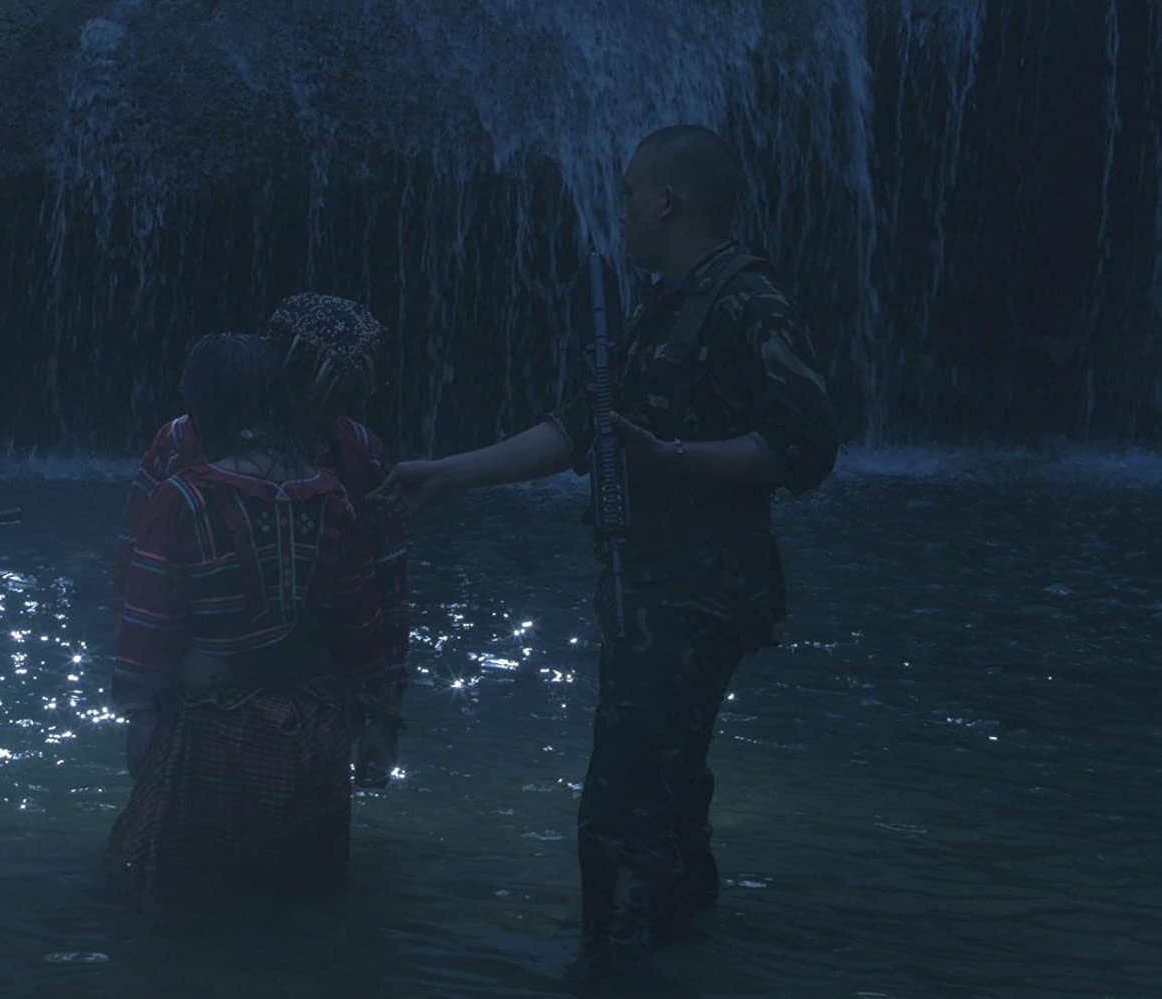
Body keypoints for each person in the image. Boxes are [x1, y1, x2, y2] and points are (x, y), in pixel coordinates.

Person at [375, 125, 839, 976]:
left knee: (622, 806)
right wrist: (449, 473)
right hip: (649, 589)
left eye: (628, 193)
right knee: (669, 788)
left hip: (697, 592)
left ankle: (613, 967)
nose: (618, 210)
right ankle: (683, 953)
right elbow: (576, 429)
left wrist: (673, 458)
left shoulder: (746, 302)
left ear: (667, 202)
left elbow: (806, 444)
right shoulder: (660, 306)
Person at [106, 333, 384, 912]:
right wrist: (377, 717)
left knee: (188, 905)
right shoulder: (330, 496)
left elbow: (148, 620)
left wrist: (139, 712)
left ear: (206, 407)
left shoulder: (184, 499)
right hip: (315, 733)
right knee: (300, 905)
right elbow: (361, 621)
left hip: (213, 734)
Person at [115, 294, 409, 786]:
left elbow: (386, 587)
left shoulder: (359, 453)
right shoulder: (183, 442)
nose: (325, 408)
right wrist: (144, 708)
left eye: (344, 393)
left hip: (300, 703)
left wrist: (385, 714)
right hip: (206, 699)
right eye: (318, 387)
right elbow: (135, 572)